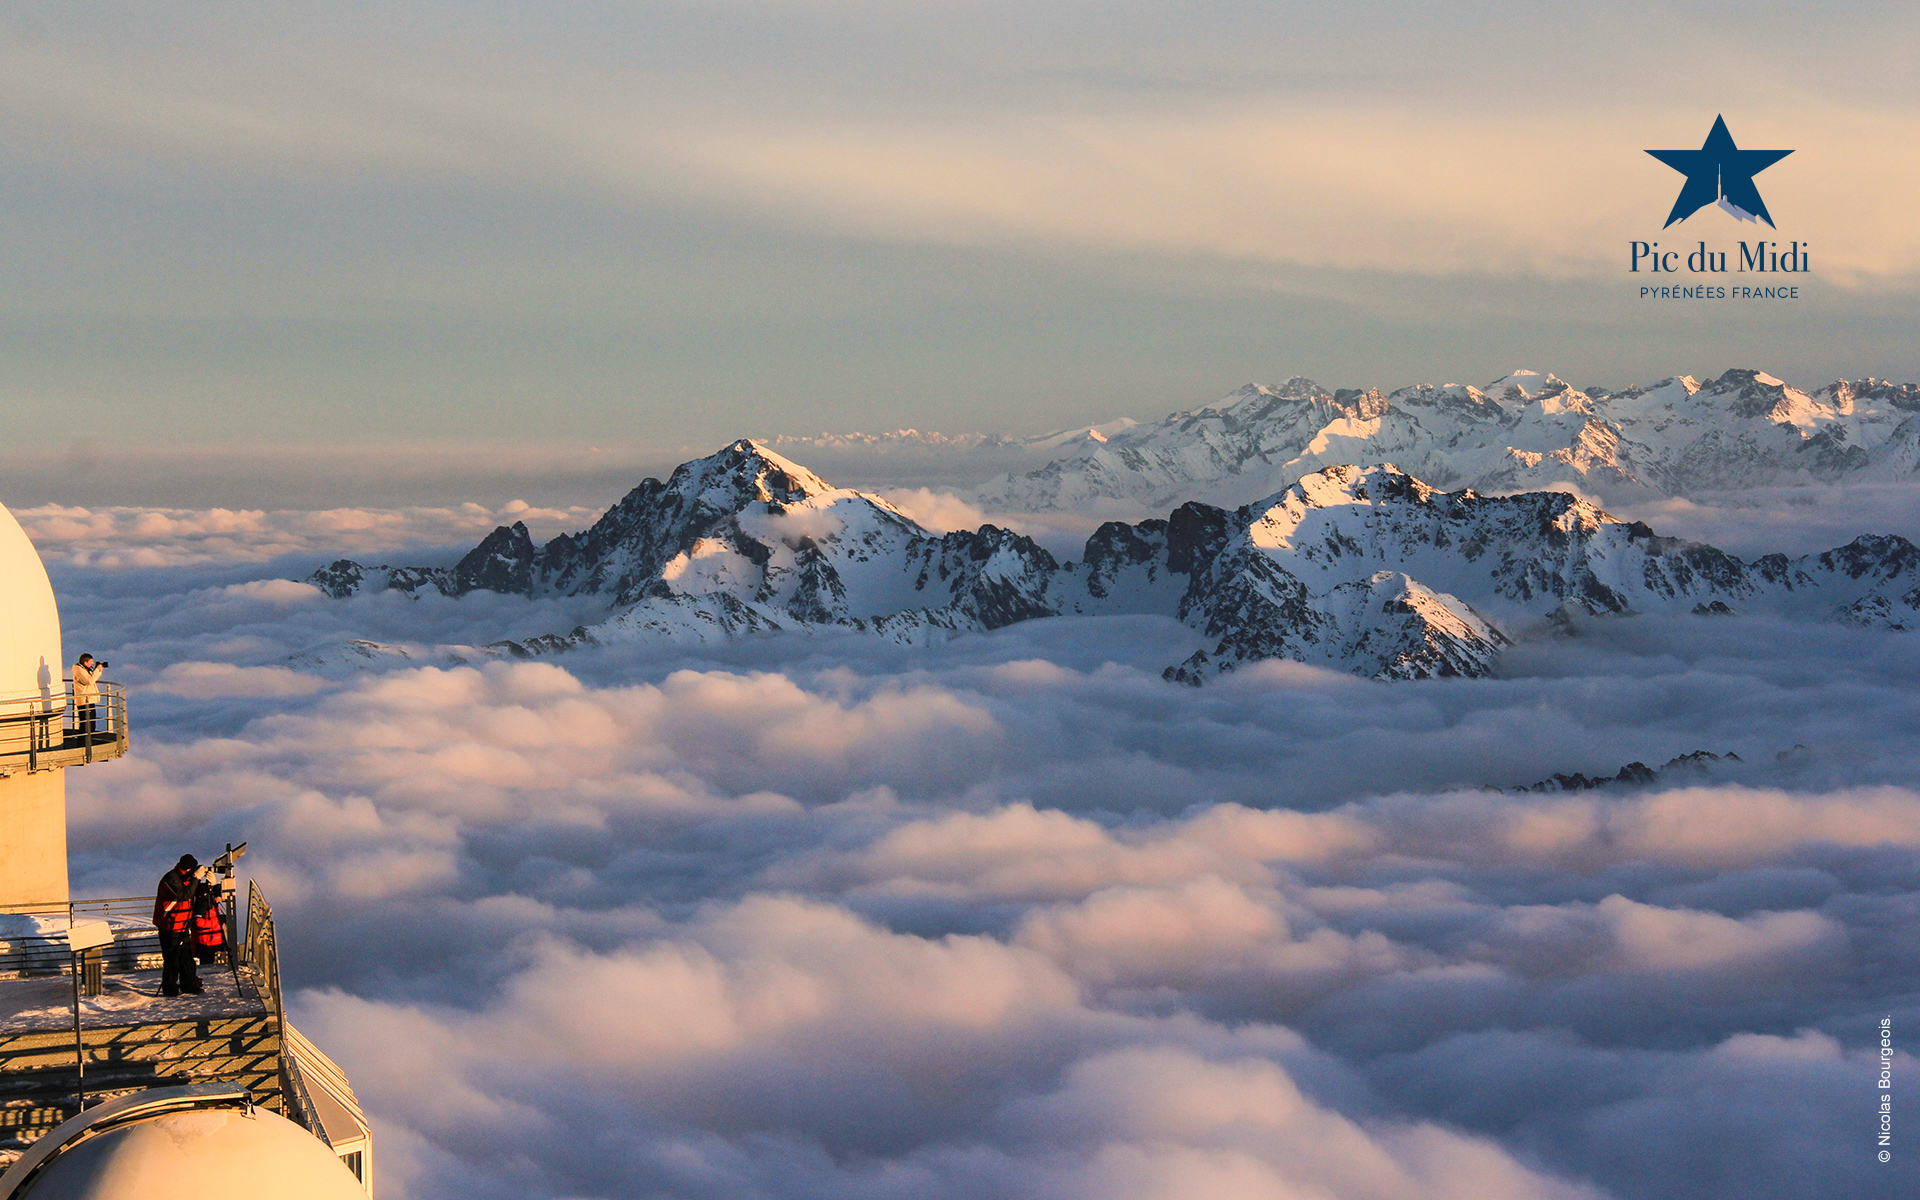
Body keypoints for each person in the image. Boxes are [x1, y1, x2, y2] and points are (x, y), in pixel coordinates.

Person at [152, 854, 204, 996]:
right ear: (189, 869)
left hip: (182, 924)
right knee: (172, 959)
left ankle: (189, 985)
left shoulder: (182, 878)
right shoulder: (170, 879)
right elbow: (185, 894)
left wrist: (208, 884)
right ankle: (170, 988)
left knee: (186, 957)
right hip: (169, 926)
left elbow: (193, 891)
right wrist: (197, 878)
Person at [72, 653, 105, 742]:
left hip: (88, 699)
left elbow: (90, 679)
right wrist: (97, 670)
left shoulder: (83, 669)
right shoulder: (79, 670)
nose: (92, 663)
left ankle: (87, 742)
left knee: (90, 724)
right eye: (91, 661)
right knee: (86, 725)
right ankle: (83, 744)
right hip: (84, 700)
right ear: (85, 662)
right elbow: (89, 681)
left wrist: (97, 670)